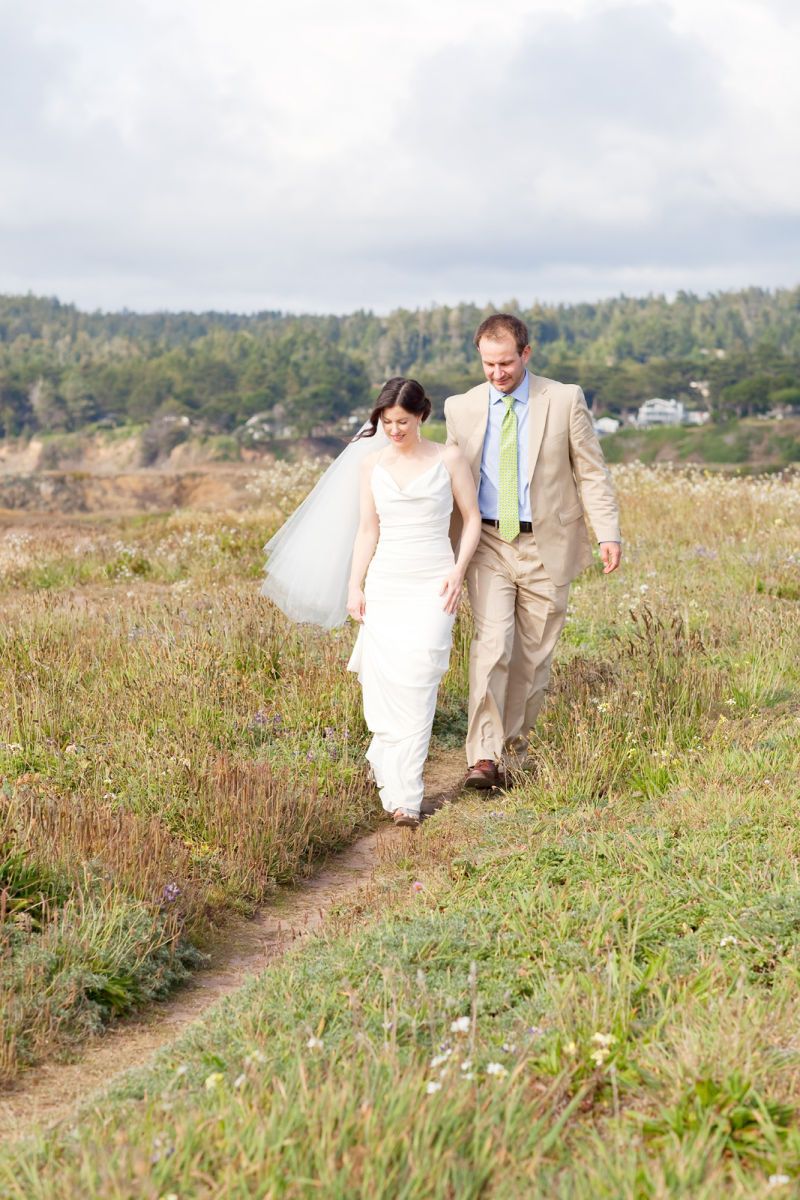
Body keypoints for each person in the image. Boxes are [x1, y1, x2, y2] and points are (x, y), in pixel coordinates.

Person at [444, 314, 621, 788]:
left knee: (532, 657)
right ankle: (482, 755)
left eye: (505, 362)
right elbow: (448, 476)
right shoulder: (459, 408)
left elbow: (591, 472)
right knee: (492, 645)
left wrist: (608, 533)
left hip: (548, 545)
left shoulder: (563, 400)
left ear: (526, 353)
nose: (497, 373)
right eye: (488, 364)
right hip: (488, 544)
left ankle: (513, 753)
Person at [347, 378, 481, 827]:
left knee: (421, 676)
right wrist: (355, 585)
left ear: (422, 415)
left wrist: (458, 572)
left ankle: (408, 794)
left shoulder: (449, 459)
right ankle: (402, 791)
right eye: (386, 423)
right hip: (386, 582)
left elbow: (472, 517)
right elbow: (368, 529)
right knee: (386, 686)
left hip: (433, 582)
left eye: (402, 421)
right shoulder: (371, 465)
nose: (394, 430)